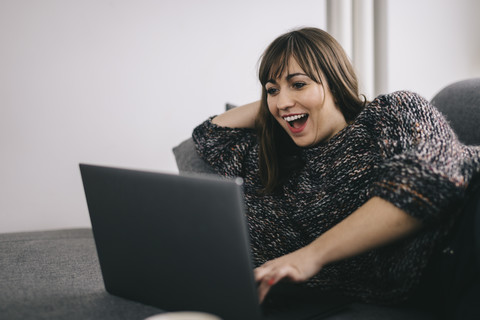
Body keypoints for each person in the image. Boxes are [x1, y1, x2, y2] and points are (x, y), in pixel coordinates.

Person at [192, 27, 480, 309]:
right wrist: (283, 103)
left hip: (466, 221)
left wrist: (312, 256)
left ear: (335, 83)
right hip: (432, 280)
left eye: (299, 83)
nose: (281, 101)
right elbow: (209, 135)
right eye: (272, 90)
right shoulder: (269, 164)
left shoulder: (391, 111)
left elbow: (430, 180)